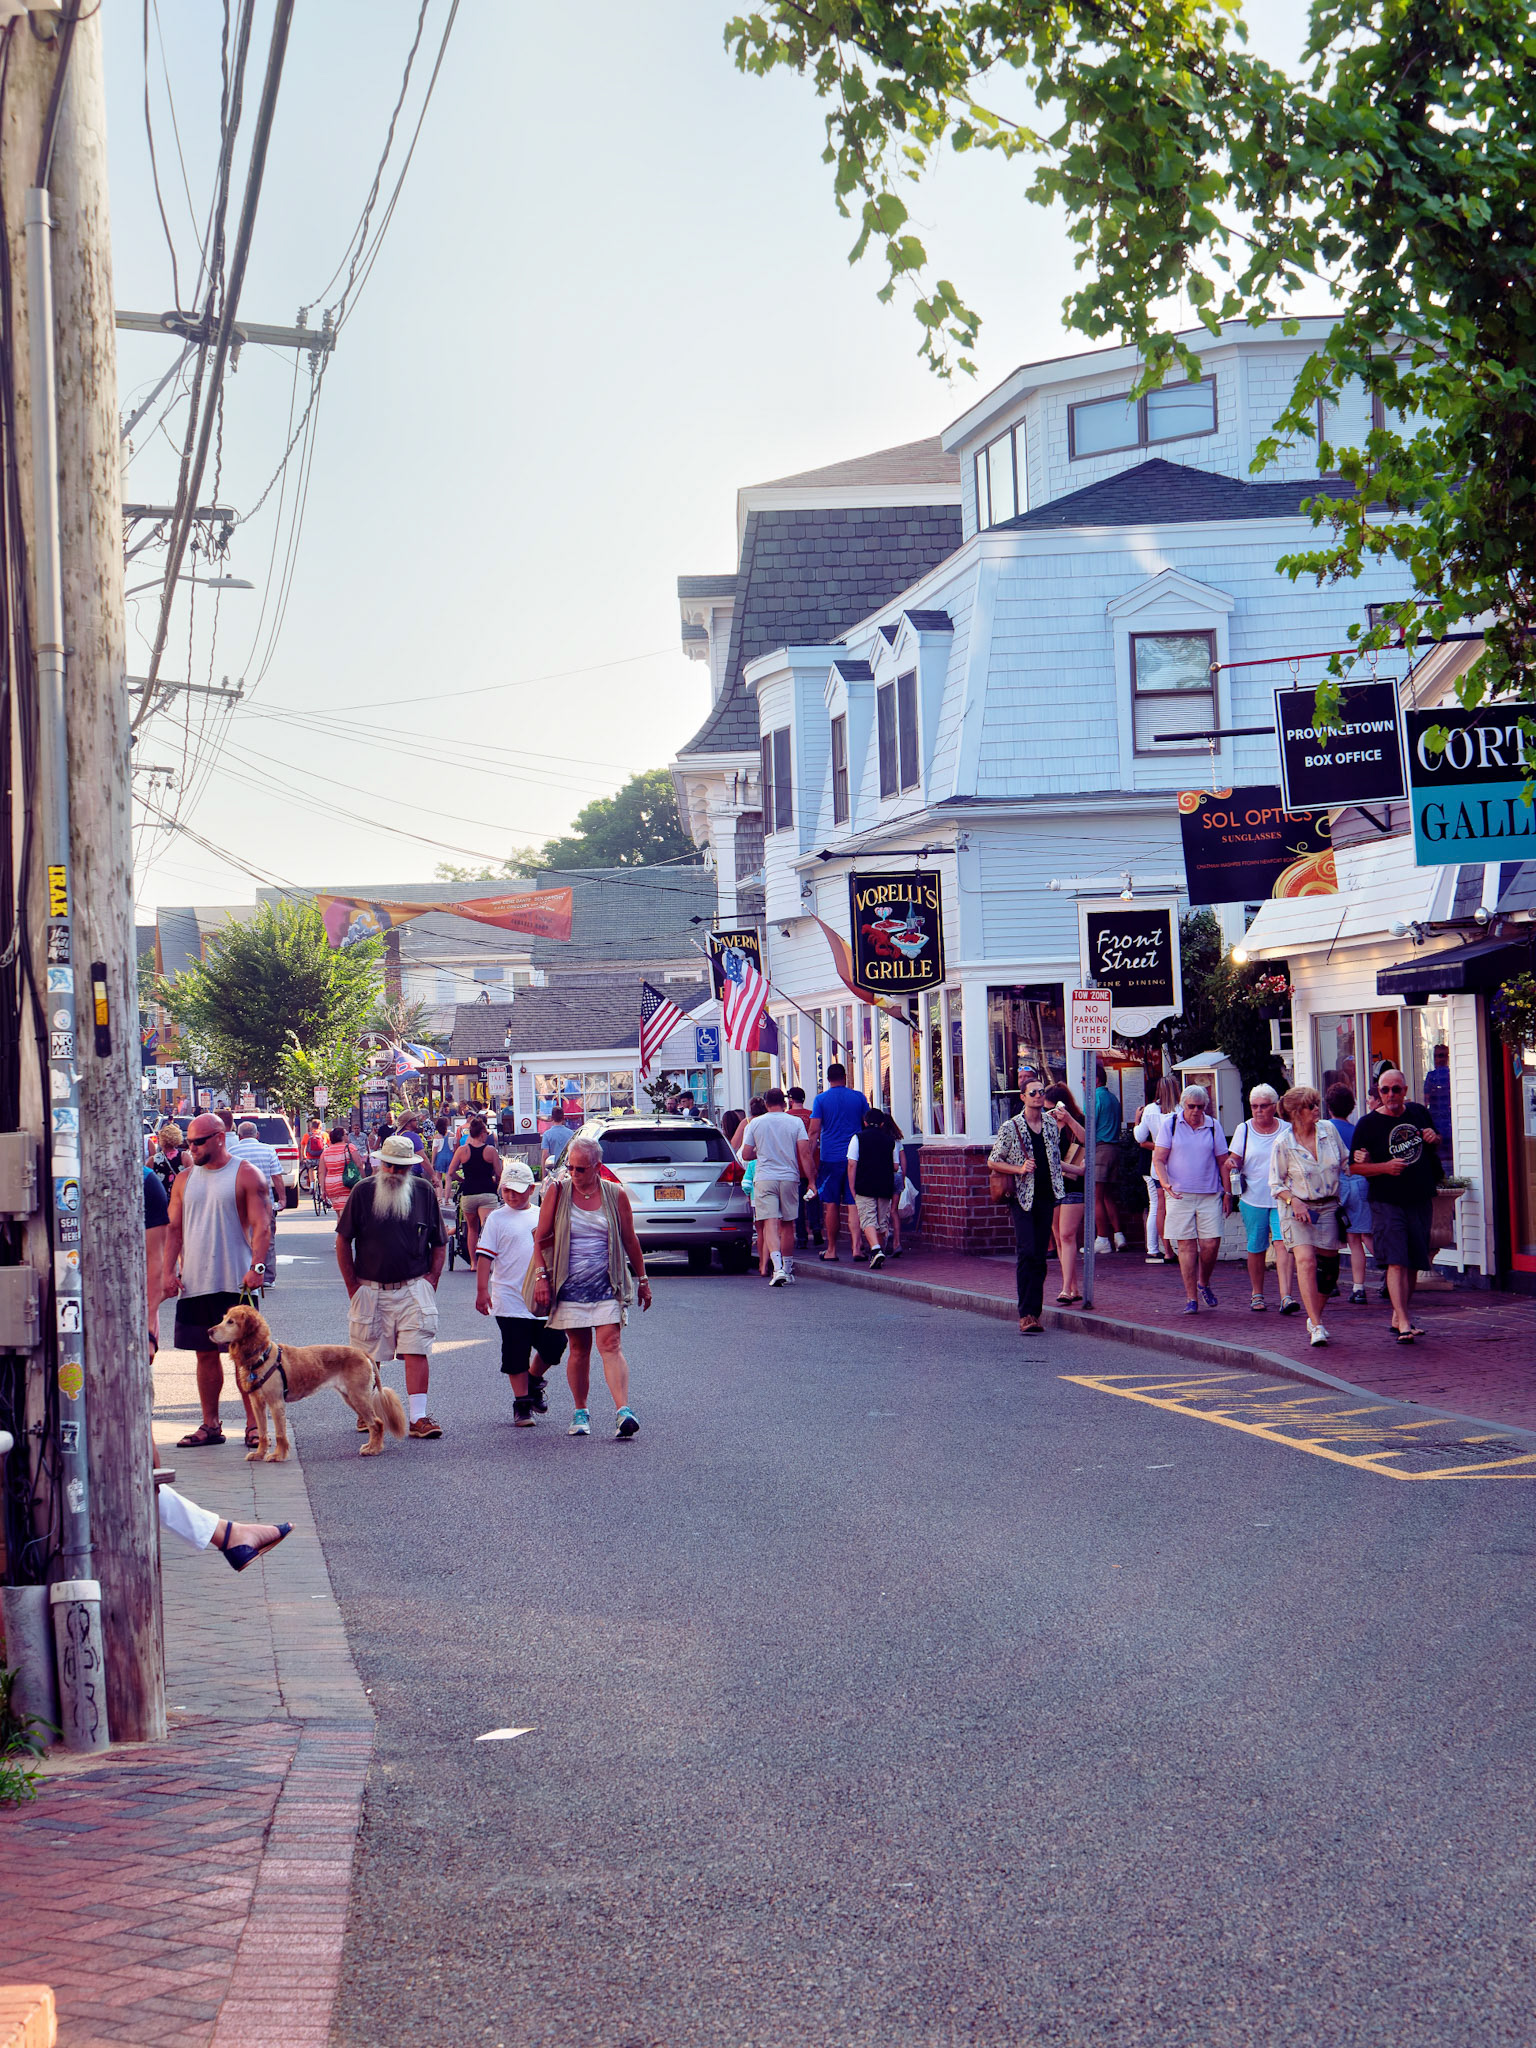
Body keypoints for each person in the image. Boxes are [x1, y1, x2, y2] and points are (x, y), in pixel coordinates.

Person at [162, 1114, 273, 1449]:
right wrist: (168, 1272)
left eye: (198, 1142)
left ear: (220, 1138)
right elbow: (174, 1230)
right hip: (196, 1281)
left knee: (246, 1357)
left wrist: (258, 1268)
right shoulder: (183, 1180)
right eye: (188, 1143)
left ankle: (255, 1426)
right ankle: (211, 1426)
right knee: (204, 1355)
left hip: (234, 1283)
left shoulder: (245, 1174)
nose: (191, 1148)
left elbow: (263, 1226)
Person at [528, 1136, 649, 1439]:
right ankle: (580, 1410)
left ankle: (623, 1411)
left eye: (580, 1169)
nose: (574, 1174)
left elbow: (630, 1239)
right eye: (569, 1167)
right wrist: (542, 1277)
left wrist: (643, 1280)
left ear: (598, 1167)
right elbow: (540, 1237)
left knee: (611, 1344)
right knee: (579, 1349)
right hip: (569, 1285)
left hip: (607, 1283)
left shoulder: (615, 1194)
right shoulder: (558, 1191)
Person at [334, 1133, 448, 1439]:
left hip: (414, 1285)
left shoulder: (423, 1192)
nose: (396, 1173)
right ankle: (367, 1412)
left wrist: (432, 1279)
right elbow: (343, 1241)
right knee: (367, 1355)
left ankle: (418, 1418)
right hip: (370, 1287)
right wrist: (352, 1287)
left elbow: (439, 1242)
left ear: (411, 1168)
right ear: (381, 1164)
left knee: (417, 1349)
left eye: (402, 1168)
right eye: (391, 1167)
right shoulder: (362, 1192)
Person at [1350, 1067, 1442, 1343]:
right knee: (1396, 1261)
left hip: (1419, 1197)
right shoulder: (1367, 1124)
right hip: (1387, 1201)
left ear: (1404, 1090)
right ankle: (1403, 1320)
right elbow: (1354, 1167)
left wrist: (1433, 1138)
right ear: (1378, 1092)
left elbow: (1436, 1141)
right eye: (1385, 1089)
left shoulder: (1417, 1113)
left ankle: (1400, 1313)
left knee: (1415, 1260)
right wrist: (1383, 1167)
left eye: (1396, 1089)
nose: (1391, 1094)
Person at [473, 1158, 567, 1425]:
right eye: (506, 1190)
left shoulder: (542, 1215)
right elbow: (484, 1258)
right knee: (516, 1351)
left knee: (554, 1345)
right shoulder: (496, 1219)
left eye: (517, 1189)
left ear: (532, 1188)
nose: (512, 1195)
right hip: (509, 1298)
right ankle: (522, 1404)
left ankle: (534, 1380)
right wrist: (482, 1291)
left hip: (542, 1298)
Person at [1269, 1087, 1348, 1348]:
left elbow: (1345, 1161)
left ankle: (1316, 1316)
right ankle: (1316, 1324)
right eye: (1310, 1106)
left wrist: (1362, 1159)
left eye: (1317, 1104)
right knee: (1305, 1261)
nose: (1317, 1109)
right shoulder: (1283, 1143)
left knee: (1329, 1272)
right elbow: (1275, 1184)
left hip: (1328, 1206)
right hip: (1297, 1210)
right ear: (1295, 1113)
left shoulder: (1329, 1131)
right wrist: (1295, 1201)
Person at [989, 1075, 1068, 1333]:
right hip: (1022, 1198)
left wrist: (1077, 1170)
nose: (1038, 1096)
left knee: (1041, 1258)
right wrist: (1019, 1168)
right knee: (1027, 1252)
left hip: (1046, 1196)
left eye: (1041, 1092)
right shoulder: (1011, 1127)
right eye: (1032, 1093)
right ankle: (1026, 1314)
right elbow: (993, 1161)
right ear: (1022, 1097)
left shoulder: (1049, 1124)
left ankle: (1036, 1312)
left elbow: (1054, 1161)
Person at [1152, 1084, 1234, 1315]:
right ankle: (1191, 1298)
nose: (1196, 1111)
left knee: (1211, 1243)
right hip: (1179, 1194)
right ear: (1182, 1104)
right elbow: (1158, 1158)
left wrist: (1227, 1193)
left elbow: (1222, 1161)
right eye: (1191, 1106)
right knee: (1186, 1245)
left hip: (1209, 1193)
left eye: (1201, 1107)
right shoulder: (1170, 1125)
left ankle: (1203, 1282)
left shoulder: (1213, 1126)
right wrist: (1164, 1181)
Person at [1228, 1084, 1297, 1313]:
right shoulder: (1244, 1129)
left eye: (1263, 1106)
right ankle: (1257, 1294)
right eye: (1254, 1106)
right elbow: (1235, 1157)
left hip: (1282, 1196)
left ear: (1274, 1107)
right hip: (1252, 1197)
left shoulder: (1287, 1129)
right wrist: (1231, 1164)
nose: (1258, 1111)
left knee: (1283, 1243)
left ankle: (1286, 1296)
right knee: (1256, 1246)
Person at [740, 1088, 814, 1286]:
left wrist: (763, 1153)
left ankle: (777, 1268)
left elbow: (746, 1154)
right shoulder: (795, 1122)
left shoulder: (756, 1123)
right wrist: (812, 1181)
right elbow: (805, 1154)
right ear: (784, 1102)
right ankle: (788, 1270)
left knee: (770, 1223)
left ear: (765, 1104)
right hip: (789, 1176)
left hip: (765, 1177)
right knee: (788, 1223)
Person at [809, 1062, 868, 1263]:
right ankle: (856, 1248)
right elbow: (867, 1124)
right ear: (845, 1076)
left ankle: (832, 1250)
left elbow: (814, 1130)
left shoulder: (821, 1100)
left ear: (827, 1079)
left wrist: (809, 1158)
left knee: (831, 1204)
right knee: (854, 1203)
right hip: (855, 1156)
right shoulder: (858, 1097)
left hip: (830, 1158)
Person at [1326, 1084, 1374, 1304]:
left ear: (1328, 1107)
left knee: (1329, 1237)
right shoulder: (1358, 1129)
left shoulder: (1326, 1129)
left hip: (1337, 1185)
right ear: (1352, 1107)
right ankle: (1359, 1287)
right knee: (1358, 1238)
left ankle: (1330, 1282)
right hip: (1360, 1182)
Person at [1042, 1083, 1089, 1301]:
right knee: (1059, 1238)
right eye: (1047, 1109)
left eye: (1053, 1108)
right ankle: (1073, 1287)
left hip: (1073, 1186)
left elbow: (1088, 1141)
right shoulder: (1047, 1126)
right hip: (1053, 1186)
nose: (1051, 1113)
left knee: (1067, 1234)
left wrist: (1068, 1118)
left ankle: (1065, 1289)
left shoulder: (1076, 1121)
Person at [845, 1105, 903, 1270]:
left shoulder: (858, 1138)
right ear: (882, 1124)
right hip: (884, 1184)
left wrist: (852, 1186)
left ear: (865, 1122)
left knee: (868, 1219)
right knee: (882, 1219)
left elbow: (851, 1163)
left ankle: (876, 1249)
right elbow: (896, 1166)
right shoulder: (889, 1141)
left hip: (864, 1183)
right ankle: (878, 1248)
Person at [1134, 1078, 1179, 1263]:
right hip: (1178, 1163)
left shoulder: (1150, 1110)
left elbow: (1140, 1136)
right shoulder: (1181, 1110)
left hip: (1158, 1165)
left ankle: (1166, 1249)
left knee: (1160, 1206)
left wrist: (1137, 1120)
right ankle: (1178, 1247)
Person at [447, 1115, 502, 1261]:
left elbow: (451, 1172)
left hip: (469, 1192)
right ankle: (487, 1261)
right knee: (486, 1229)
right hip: (487, 1193)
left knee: (472, 1229)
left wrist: (462, 1180)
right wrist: (496, 1184)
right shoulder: (490, 1151)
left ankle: (473, 1263)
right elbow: (499, 1173)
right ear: (482, 1133)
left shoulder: (462, 1151)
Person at [1092, 1063, 1126, 1254]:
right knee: (1108, 1196)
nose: (1082, 1082)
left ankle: (1103, 1238)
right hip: (1114, 1147)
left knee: (1096, 1196)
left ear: (1096, 1079)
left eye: (1085, 1078)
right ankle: (1119, 1235)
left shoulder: (1095, 1097)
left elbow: (1090, 1124)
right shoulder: (1113, 1098)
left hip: (1100, 1148)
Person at [786, 1085, 822, 1250]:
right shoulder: (812, 1115)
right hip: (813, 1163)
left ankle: (801, 1237)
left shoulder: (786, 1117)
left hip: (794, 1164)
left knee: (798, 1203)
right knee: (813, 1197)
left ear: (791, 1100)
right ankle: (817, 1230)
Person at [228, 1119, 285, 1215]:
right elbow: (276, 1176)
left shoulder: (231, 1152)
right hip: (265, 1204)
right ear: (257, 1135)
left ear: (239, 1136)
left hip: (240, 1206)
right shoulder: (268, 1150)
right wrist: (282, 1199)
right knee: (266, 1229)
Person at [321, 1123, 366, 1212]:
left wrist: (323, 1190)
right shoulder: (350, 1148)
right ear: (341, 1136)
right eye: (345, 1134)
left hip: (331, 1185)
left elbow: (322, 1172)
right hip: (347, 1183)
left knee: (339, 1213)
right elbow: (359, 1165)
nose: (347, 1136)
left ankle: (341, 1225)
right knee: (347, 1213)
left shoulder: (326, 1152)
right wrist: (364, 1180)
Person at [150, 1122, 186, 1198]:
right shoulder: (184, 1156)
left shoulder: (153, 1159)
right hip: (179, 1197)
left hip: (160, 1198)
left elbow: (146, 1179)